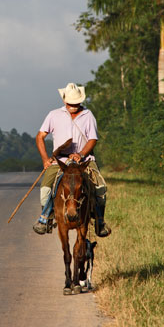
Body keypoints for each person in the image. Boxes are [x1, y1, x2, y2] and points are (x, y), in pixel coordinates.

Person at [33, 82, 111, 238]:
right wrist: (45, 159)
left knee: (101, 189)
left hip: (84, 160)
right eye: (70, 103)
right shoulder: (53, 115)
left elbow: (92, 139)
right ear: (64, 100)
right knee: (45, 190)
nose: (73, 106)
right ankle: (45, 218)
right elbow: (40, 136)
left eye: (76, 103)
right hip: (60, 161)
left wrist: (81, 154)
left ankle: (100, 222)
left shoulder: (88, 115)